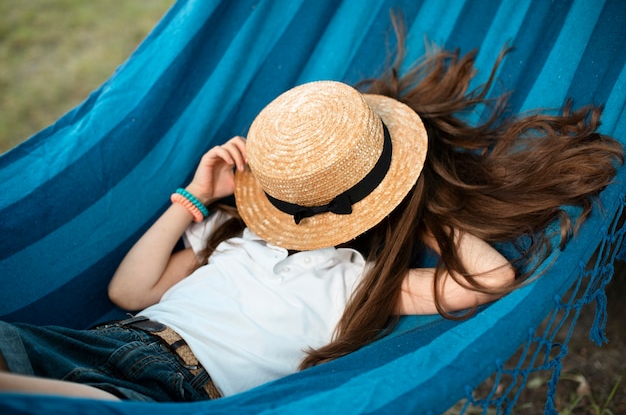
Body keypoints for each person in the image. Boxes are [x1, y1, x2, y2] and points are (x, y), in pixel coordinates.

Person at [0, 46, 622, 402]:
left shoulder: (365, 283)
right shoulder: (235, 232)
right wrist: (194, 197)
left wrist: (420, 202)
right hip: (110, 342)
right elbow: (129, 294)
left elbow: (488, 279)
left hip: (178, 392)